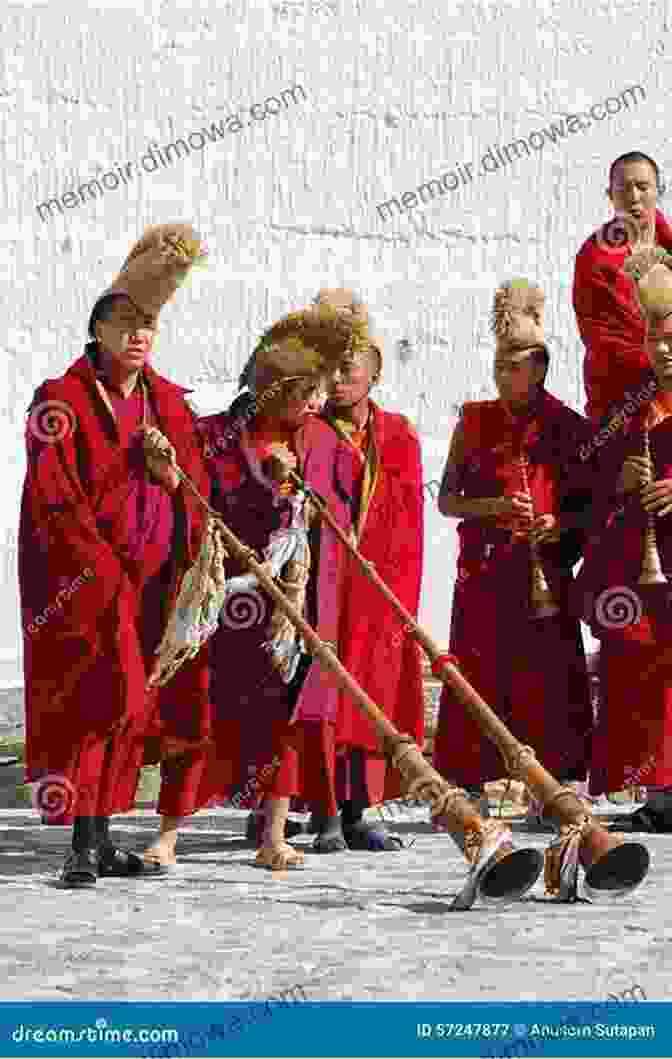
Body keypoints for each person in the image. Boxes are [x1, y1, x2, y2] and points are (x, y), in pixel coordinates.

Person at [19, 224, 213, 886]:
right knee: (91, 704)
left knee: (132, 709)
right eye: (124, 321)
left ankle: (101, 839)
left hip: (152, 585)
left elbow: (193, 487)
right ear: (97, 330)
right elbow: (52, 495)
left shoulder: (167, 405)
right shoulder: (61, 399)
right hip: (85, 583)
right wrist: (97, 568)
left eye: (147, 324)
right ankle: (81, 839)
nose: (137, 334)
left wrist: (170, 485)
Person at [187, 301, 369, 869]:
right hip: (234, 597)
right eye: (305, 393)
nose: (316, 403)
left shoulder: (326, 445)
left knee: (292, 713)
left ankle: (278, 831)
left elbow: (343, 520)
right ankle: (189, 824)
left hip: (301, 602)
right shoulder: (218, 436)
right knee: (224, 708)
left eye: (319, 392)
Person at [432, 280, 593, 824]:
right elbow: (448, 502)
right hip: (484, 574)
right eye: (498, 365)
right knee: (478, 675)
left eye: (513, 366)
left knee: (548, 679)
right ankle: (470, 784)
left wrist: (557, 524)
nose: (502, 376)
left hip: (544, 575)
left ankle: (555, 784)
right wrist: (496, 506)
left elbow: (591, 509)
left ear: (540, 368)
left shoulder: (568, 428)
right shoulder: (473, 420)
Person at [308, 288, 425, 852]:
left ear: (374, 371)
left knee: (370, 695)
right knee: (316, 692)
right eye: (328, 369)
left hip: (379, 588)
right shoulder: (306, 431)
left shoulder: (398, 434)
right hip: (321, 588)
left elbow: (411, 524)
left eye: (348, 368)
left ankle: (360, 809)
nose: (337, 381)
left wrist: (402, 598)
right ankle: (315, 807)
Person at [573, 246, 672, 831]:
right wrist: (620, 478)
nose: (664, 349)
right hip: (642, 562)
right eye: (656, 339)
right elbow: (591, 475)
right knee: (641, 673)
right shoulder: (631, 403)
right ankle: (659, 793)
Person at [573, 151, 672, 424]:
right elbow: (602, 339)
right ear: (610, 195)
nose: (634, 196)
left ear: (659, 191)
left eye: (643, 186)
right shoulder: (594, 258)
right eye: (623, 188)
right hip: (621, 404)